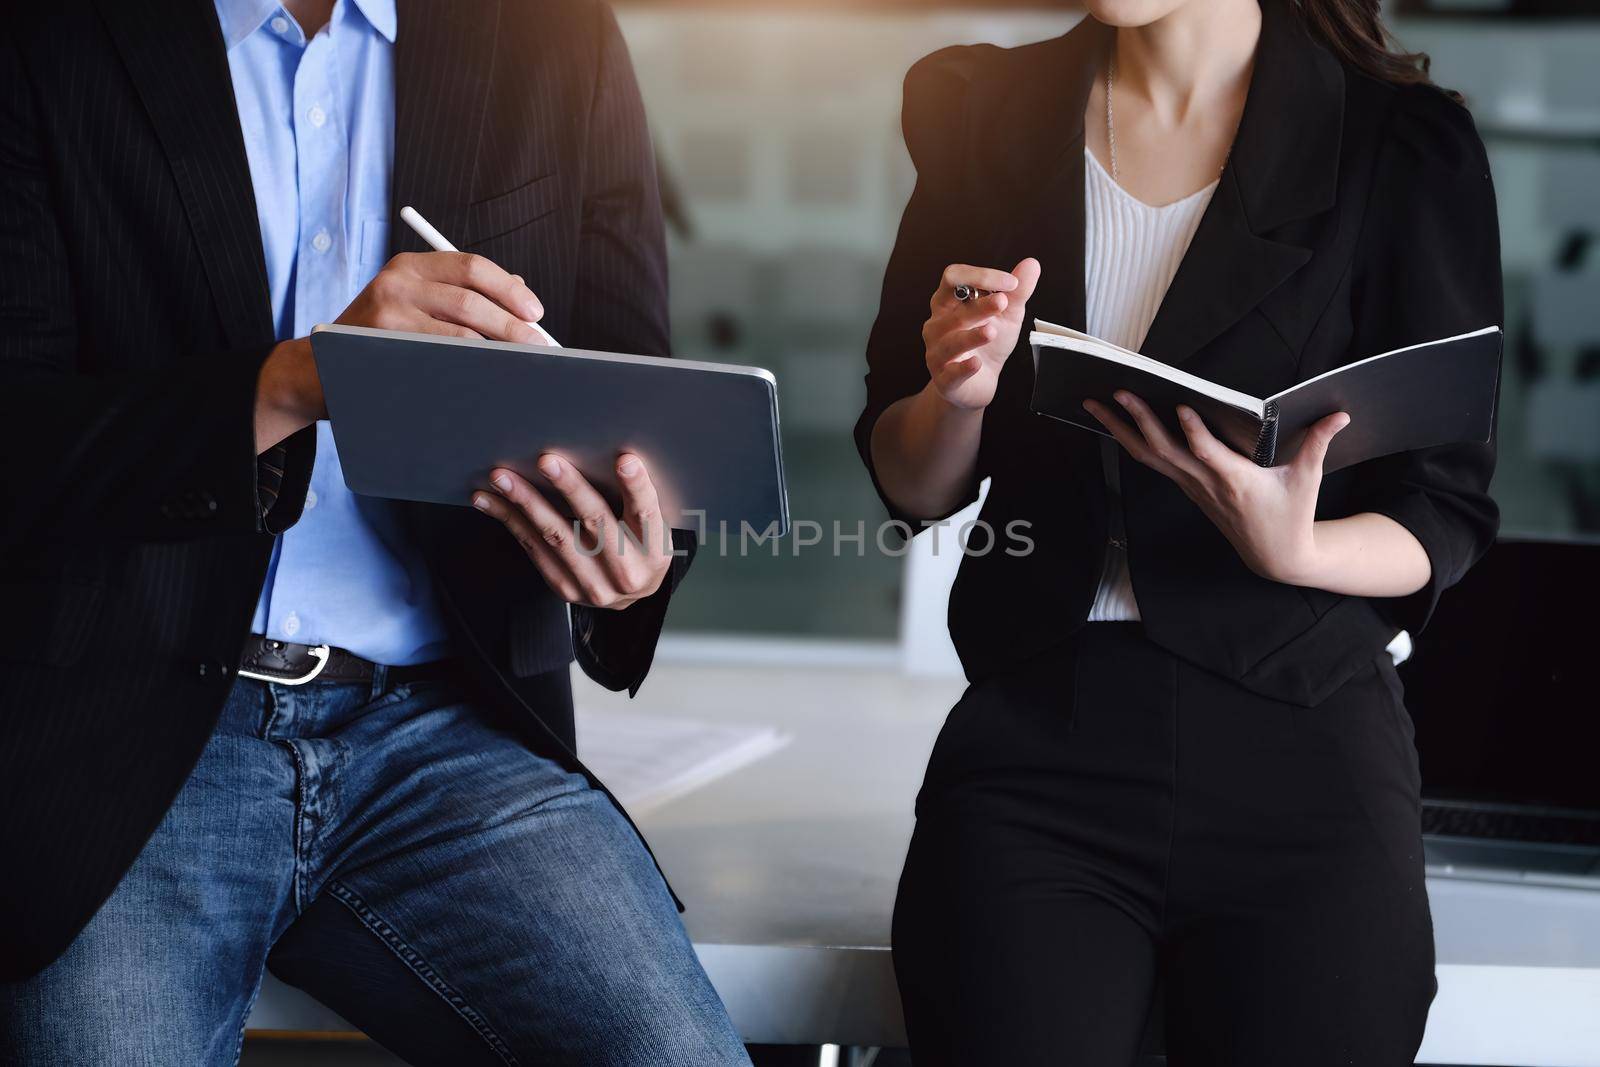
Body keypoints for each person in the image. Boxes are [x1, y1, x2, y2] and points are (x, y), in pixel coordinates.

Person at [0, 0, 750, 1063]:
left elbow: (629, 402)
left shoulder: (557, 35)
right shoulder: (49, 38)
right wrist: (294, 377)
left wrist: (633, 567)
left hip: (447, 730)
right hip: (127, 737)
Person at [857, 0, 1500, 1062]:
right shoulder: (981, 110)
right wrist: (956, 394)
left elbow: (1447, 506)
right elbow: (912, 479)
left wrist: (1294, 548)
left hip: (1302, 731)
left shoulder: (1398, 140)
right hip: (1039, 736)